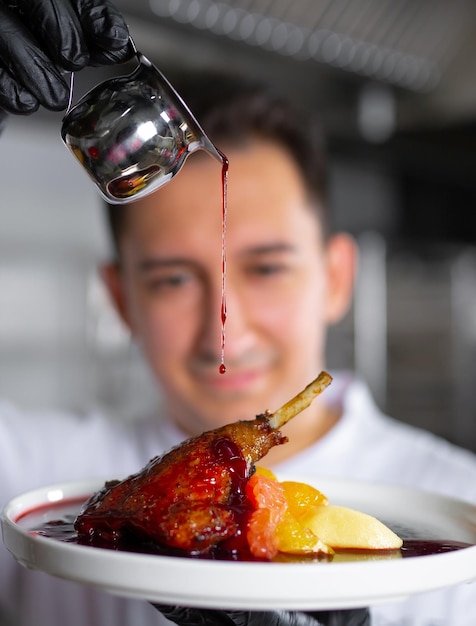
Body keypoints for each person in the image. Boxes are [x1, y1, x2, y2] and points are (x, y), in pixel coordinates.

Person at [0, 2, 475, 626]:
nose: (226, 324)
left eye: (267, 268)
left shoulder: (460, 507)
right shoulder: (32, 476)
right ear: (121, 300)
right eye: (173, 279)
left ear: (336, 279)